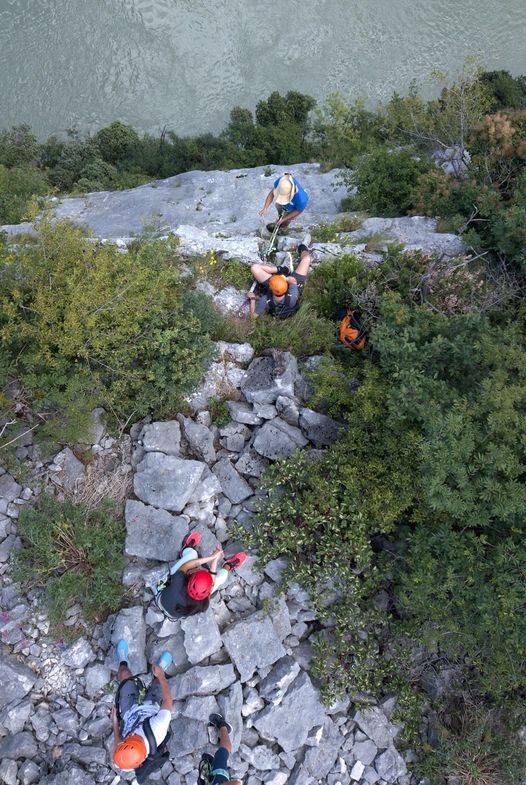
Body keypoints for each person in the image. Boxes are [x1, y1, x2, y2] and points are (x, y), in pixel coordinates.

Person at [111, 640, 173, 774]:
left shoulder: (123, 760)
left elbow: (118, 742)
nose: (125, 738)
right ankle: (159, 673)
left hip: (129, 712)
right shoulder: (158, 729)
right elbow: (168, 701)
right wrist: (161, 676)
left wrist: (115, 724)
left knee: (124, 675)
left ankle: (123, 660)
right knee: (157, 685)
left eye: (125, 739)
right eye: (129, 738)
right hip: (152, 707)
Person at [154, 532, 246, 619]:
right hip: (172, 613)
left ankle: (186, 550)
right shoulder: (202, 605)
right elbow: (212, 585)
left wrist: (211, 558)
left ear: (190, 577)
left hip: (160, 596)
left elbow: (188, 565)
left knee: (192, 554)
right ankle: (228, 566)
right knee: (222, 577)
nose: (198, 568)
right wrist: (214, 562)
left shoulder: (178, 581)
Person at [248, 236, 312, 319]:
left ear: (270, 287)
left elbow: (253, 316)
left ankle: (281, 269)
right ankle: (302, 246)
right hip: (295, 284)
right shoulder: (292, 295)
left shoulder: (265, 300)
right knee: (306, 259)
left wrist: (252, 299)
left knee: (255, 268)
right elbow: (293, 281)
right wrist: (285, 278)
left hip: (282, 285)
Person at [197, 713, 242, 785]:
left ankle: (212, 763)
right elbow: (237, 783)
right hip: (220, 779)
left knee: (222, 755)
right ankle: (223, 726)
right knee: (222, 753)